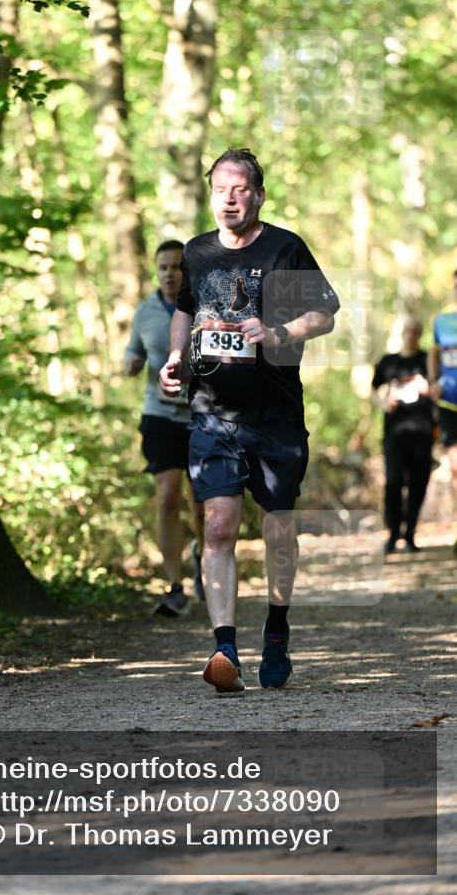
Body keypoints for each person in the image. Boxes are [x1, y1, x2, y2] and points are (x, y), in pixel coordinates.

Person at [159, 147, 339, 693]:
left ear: (258, 195)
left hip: (275, 415)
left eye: (240, 190)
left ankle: (277, 631)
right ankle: (225, 648)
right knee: (218, 526)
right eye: (220, 190)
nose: (230, 199)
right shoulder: (197, 252)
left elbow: (324, 314)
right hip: (212, 414)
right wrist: (175, 358)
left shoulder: (285, 248)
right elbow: (185, 310)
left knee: (278, 529)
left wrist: (279, 332)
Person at [124, 241, 205, 617]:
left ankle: (203, 558)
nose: (170, 273)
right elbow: (133, 352)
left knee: (202, 504)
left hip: (203, 415)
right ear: (156, 271)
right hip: (159, 416)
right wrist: (130, 363)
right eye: (164, 267)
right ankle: (174, 586)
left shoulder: (206, 307)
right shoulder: (145, 312)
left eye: (177, 267)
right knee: (168, 496)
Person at [372, 318, 435, 554]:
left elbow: (440, 390)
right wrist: (384, 402)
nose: (410, 335)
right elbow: (373, 390)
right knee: (393, 482)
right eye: (407, 331)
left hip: (423, 432)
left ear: (419, 334)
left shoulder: (427, 360)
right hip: (394, 433)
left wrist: (427, 388)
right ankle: (392, 534)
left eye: (414, 332)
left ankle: (410, 534)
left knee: (418, 483)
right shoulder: (388, 362)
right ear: (401, 334)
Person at [428, 269, 457, 540]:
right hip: (449, 403)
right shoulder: (443, 321)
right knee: (456, 467)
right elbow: (434, 354)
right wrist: (432, 381)